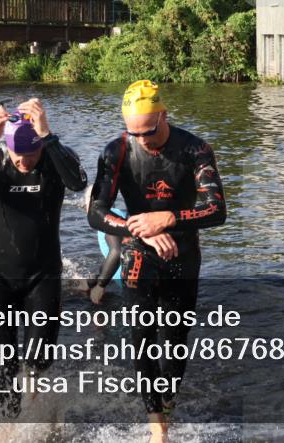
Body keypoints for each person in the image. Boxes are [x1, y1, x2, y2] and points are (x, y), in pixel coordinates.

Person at [87, 80, 227, 443]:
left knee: (176, 339)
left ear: (164, 115)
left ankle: (167, 402)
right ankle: (157, 427)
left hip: (183, 254)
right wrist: (142, 229)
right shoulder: (117, 151)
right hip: (137, 251)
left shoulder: (196, 149)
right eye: (133, 132)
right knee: (143, 337)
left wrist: (169, 218)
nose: (141, 140)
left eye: (147, 132)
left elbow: (216, 209)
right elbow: (96, 211)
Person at [0, 98, 87, 416]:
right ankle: (10, 422)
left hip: (44, 273)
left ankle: (34, 411)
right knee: (2, 360)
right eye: (17, 154)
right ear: (6, 147)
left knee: (39, 359)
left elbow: (79, 183)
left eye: (31, 153)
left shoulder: (53, 157)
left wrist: (48, 136)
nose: (24, 161)